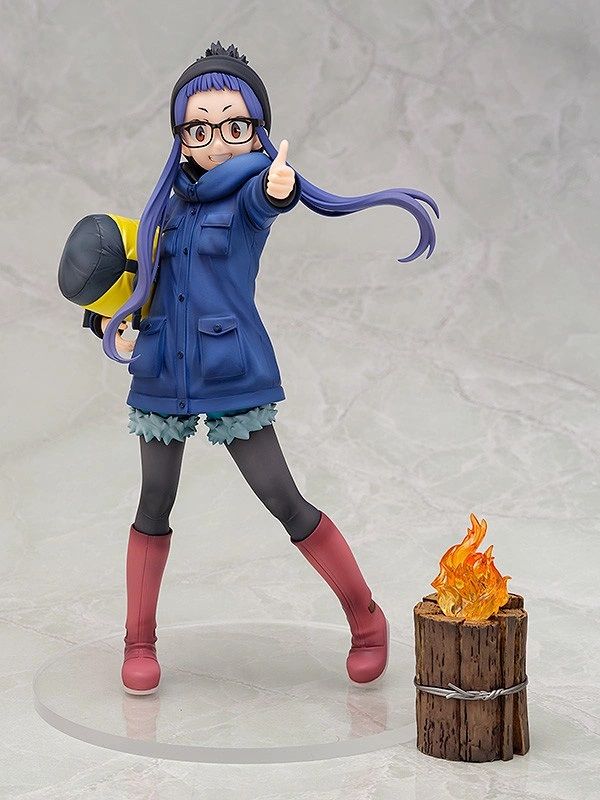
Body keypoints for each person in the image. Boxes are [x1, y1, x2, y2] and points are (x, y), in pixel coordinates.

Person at [79, 41, 438, 695]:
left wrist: (280, 187)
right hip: (163, 366)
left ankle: (366, 619)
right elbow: (143, 278)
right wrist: (111, 319)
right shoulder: (169, 209)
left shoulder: (246, 196)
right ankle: (138, 640)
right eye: (200, 129)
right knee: (153, 502)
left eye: (233, 126)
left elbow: (269, 203)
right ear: (181, 136)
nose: (216, 141)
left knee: (281, 497)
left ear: (256, 131)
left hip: (230, 367)